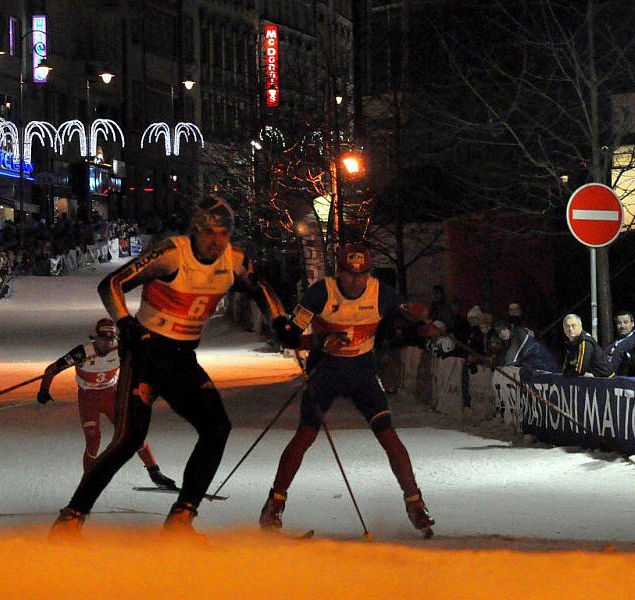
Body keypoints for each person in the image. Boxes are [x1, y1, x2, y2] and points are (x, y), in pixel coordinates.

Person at [51, 195, 284, 537]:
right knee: (129, 439)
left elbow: (260, 289)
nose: (217, 241)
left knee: (217, 428)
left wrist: (280, 322)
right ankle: (72, 517)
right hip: (147, 355)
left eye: (223, 234)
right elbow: (111, 284)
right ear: (196, 230)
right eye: (209, 234)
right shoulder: (172, 254)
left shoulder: (234, 260)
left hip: (182, 359)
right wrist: (125, 323)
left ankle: (181, 518)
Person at [262, 243, 436, 536]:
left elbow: (404, 322)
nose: (356, 281)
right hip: (325, 371)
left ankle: (415, 503)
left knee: (389, 437)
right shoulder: (321, 293)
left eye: (362, 274)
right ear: (339, 272)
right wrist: (320, 341)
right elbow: (289, 338)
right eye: (350, 274)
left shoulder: (381, 293)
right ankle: (274, 505)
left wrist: (422, 325)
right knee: (305, 435)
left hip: (361, 373)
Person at [37, 318, 175, 486]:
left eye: (111, 341)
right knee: (93, 439)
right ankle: (88, 481)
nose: (107, 345)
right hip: (89, 398)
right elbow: (52, 369)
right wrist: (44, 389)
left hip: (112, 396)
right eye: (103, 341)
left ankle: (155, 472)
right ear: (96, 338)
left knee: (132, 433)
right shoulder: (82, 352)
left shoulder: (121, 350)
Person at [493, 319, 558, 372]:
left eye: (500, 332)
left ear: (505, 329)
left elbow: (512, 357)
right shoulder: (511, 338)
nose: (499, 336)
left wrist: (503, 368)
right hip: (535, 368)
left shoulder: (520, 334)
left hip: (546, 366)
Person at [603, 311, 635, 376]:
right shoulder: (612, 343)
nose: (622, 326)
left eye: (626, 322)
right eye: (619, 323)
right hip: (607, 380)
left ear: (632, 324)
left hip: (625, 382)